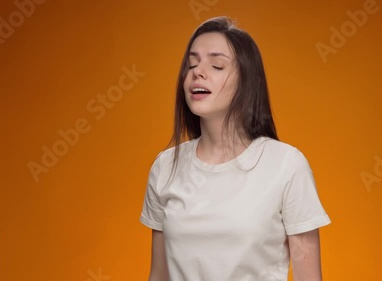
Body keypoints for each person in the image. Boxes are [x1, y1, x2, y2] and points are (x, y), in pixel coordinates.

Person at [139, 16, 331, 281]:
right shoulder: (165, 167)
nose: (198, 72)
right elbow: (158, 275)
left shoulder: (286, 165)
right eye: (192, 63)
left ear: (247, 81)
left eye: (217, 65)